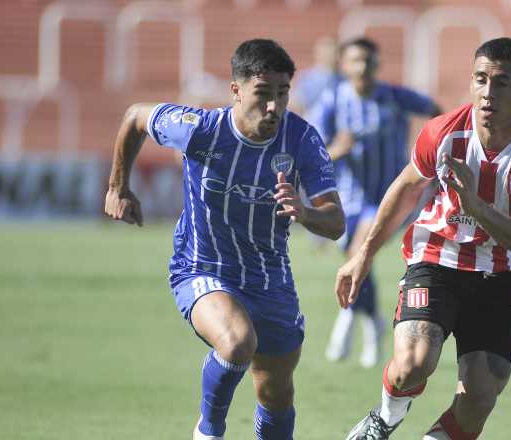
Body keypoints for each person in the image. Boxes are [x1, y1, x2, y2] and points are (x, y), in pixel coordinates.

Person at [104, 39, 344, 440]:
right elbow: (134, 117)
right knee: (236, 342)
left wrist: (304, 213)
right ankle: (208, 430)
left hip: (270, 281)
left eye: (282, 94)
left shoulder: (302, 139)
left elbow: (335, 222)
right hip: (201, 267)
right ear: (236, 91)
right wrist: (118, 187)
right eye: (263, 94)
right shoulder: (200, 130)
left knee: (276, 390)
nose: (273, 107)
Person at [336, 37, 511, 439]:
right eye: (480, 79)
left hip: (504, 274)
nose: (487, 92)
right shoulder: (444, 132)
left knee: (479, 396)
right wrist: (363, 255)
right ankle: (385, 419)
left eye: (501, 83)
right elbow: (406, 189)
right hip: (437, 258)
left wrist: (476, 205)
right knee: (413, 361)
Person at [312, 37, 441, 368]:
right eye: (355, 61)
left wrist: (434, 153)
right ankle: (372, 323)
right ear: (343, 65)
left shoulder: (395, 97)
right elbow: (313, 152)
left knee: (359, 252)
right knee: (358, 261)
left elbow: (436, 113)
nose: (362, 67)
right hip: (345, 199)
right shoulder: (332, 101)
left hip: (386, 199)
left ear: (377, 64)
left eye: (368, 61)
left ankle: (345, 324)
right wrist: (337, 150)